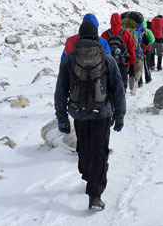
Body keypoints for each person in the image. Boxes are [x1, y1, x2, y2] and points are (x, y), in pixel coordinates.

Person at [54, 19, 126, 211]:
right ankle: (95, 194)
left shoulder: (70, 59)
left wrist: (62, 118)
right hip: (101, 114)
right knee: (100, 151)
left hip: (79, 114)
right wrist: (120, 115)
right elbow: (118, 89)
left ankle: (87, 175)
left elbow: (60, 91)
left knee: (84, 147)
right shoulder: (107, 59)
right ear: (96, 36)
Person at [101, 13, 136, 91]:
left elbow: (101, 50)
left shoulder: (105, 35)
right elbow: (131, 49)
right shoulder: (126, 34)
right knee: (122, 85)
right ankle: (121, 99)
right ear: (120, 21)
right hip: (123, 64)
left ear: (110, 22)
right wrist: (132, 64)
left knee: (109, 85)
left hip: (108, 64)